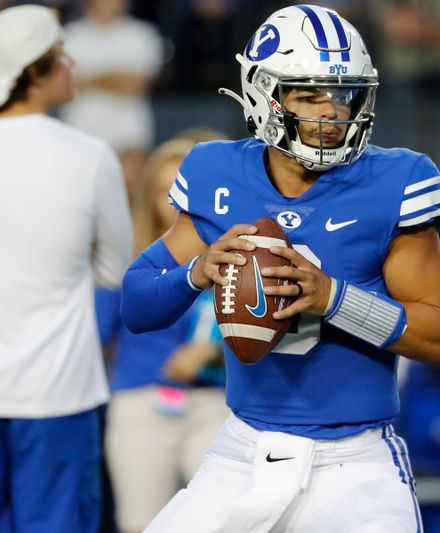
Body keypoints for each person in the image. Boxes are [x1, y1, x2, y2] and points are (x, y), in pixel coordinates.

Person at [120, 5, 440, 532]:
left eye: (345, 95)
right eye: (310, 94)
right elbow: (136, 303)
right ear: (265, 95)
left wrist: (334, 300)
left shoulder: (397, 179)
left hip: (354, 459)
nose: (332, 114)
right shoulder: (217, 172)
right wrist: (196, 271)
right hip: (242, 449)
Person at [0, 5, 132, 533]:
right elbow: (113, 269)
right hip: (59, 397)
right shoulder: (89, 155)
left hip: (60, 396)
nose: (71, 62)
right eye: (59, 55)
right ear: (33, 72)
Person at [102, 138, 230, 533]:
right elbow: (96, 338)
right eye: (164, 192)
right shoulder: (126, 262)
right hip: (142, 404)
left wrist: (211, 354)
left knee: (223, 520)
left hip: (217, 404)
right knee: (142, 524)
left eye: (183, 191)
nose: (174, 205)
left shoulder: (239, 257)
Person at [60, 0, 163, 194]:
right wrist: (114, 76)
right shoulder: (69, 35)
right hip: (80, 132)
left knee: (131, 197)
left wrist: (89, 78)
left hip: (129, 137)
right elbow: (65, 84)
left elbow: (135, 83)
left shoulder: (142, 34)